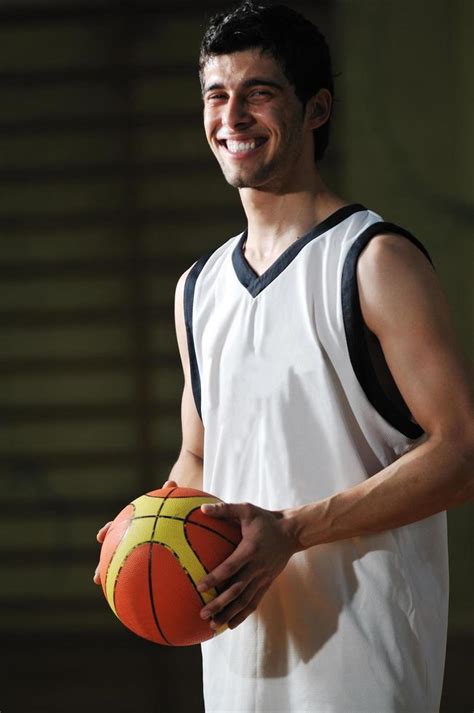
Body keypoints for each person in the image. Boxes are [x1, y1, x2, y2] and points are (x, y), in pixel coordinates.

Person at [95, 2, 474, 711]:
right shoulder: (197, 289)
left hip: (361, 654)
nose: (231, 115)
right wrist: (142, 526)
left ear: (317, 109)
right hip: (239, 656)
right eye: (216, 95)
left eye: (258, 93)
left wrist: (294, 531)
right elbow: (202, 459)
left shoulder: (373, 260)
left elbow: (463, 450)